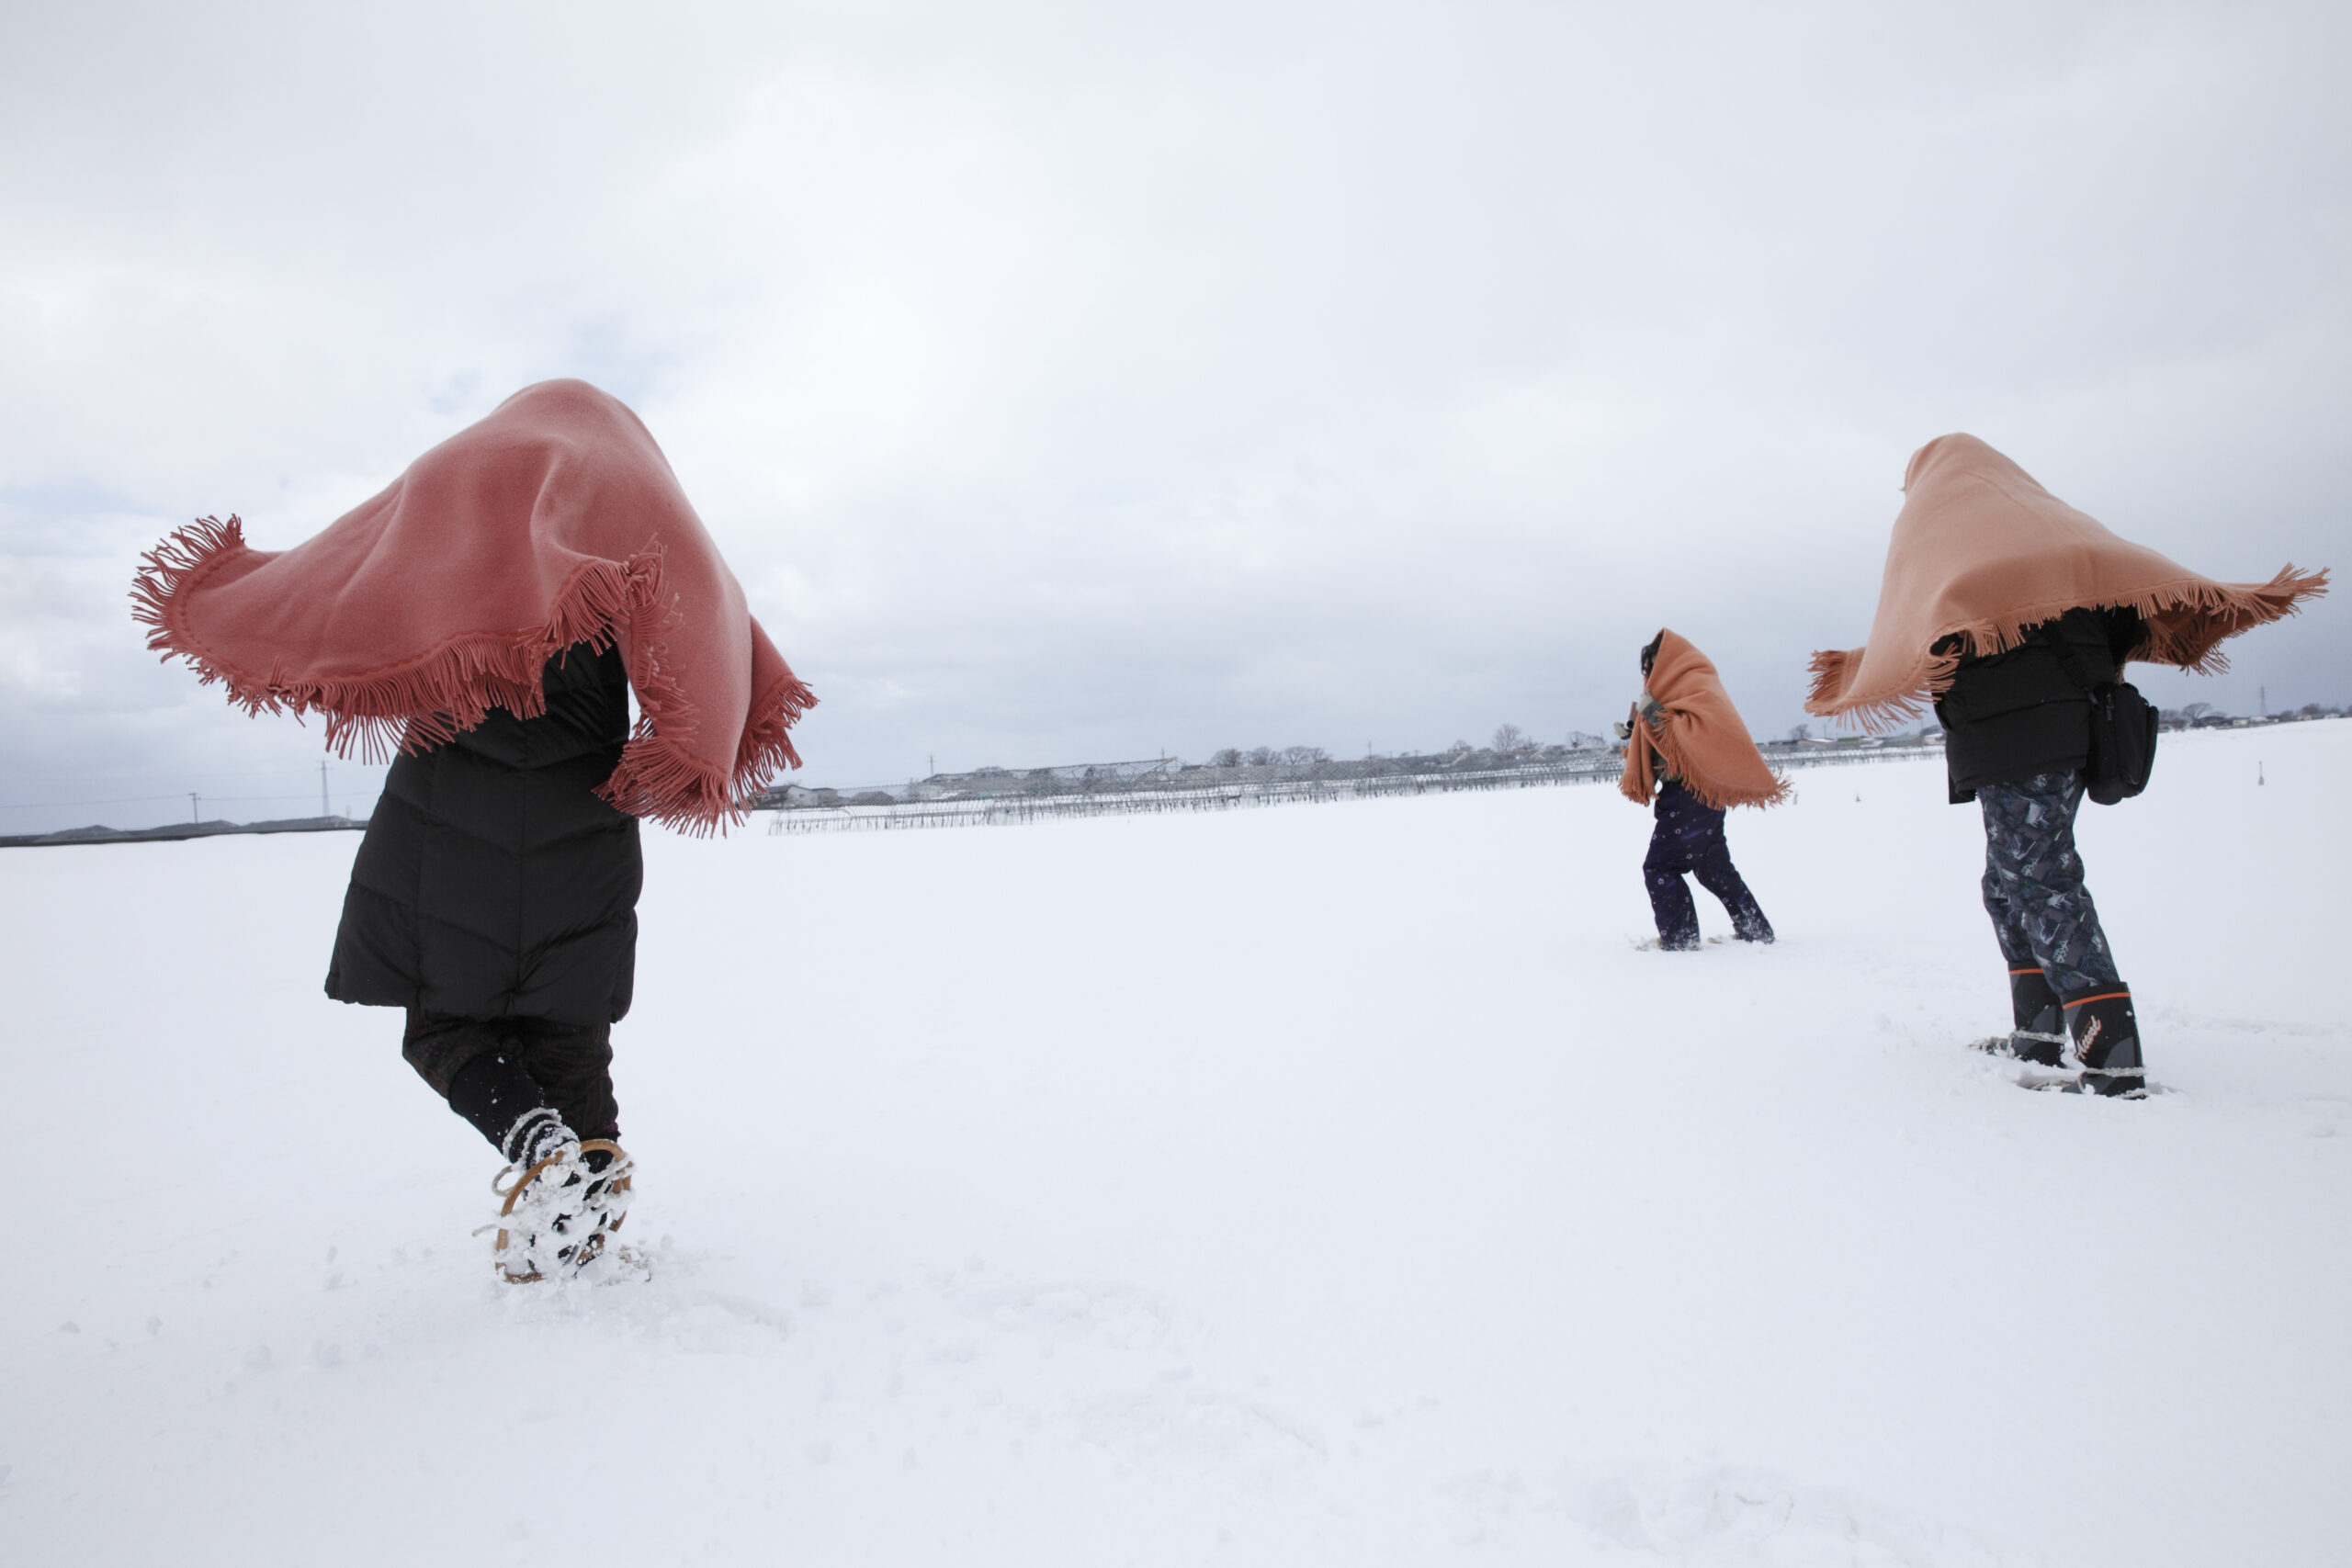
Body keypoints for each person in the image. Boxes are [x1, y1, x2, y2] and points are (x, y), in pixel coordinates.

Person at [132, 379, 816, 1275]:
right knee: (570, 1038)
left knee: (442, 1027)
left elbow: (344, 573)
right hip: (584, 821)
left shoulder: (456, 483)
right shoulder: (637, 509)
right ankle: (580, 1240)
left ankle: (539, 1153)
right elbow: (712, 622)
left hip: (447, 820)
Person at [1805, 433, 2326, 1097]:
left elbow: (1918, 622)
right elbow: (2113, 615)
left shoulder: (1942, 537)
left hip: (2020, 741)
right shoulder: (2046, 533)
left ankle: (2111, 1055)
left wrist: (1871, 663)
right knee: (2008, 883)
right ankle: (2040, 1032)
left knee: (2040, 880)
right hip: (2051, 737)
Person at [1616, 628, 1787, 950]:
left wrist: (1652, 714)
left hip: (1691, 795)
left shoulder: (1697, 686)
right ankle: (1755, 930)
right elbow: (1672, 745)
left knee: (1660, 867)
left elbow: (1694, 737)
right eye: (1647, 669)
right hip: (1698, 798)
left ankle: (1680, 939)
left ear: (1668, 662)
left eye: (1652, 666)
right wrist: (1636, 733)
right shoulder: (1680, 691)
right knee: (1712, 867)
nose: (1649, 674)